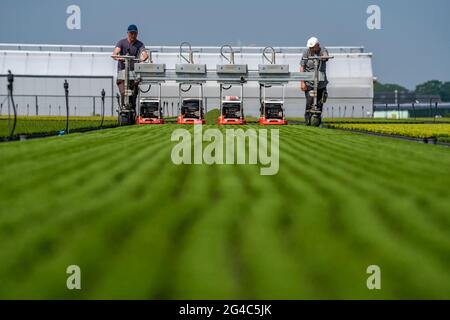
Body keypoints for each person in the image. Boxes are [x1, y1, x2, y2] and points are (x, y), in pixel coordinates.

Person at [112, 24, 149, 111]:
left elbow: (144, 53)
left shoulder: (140, 44)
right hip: (122, 74)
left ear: (137, 34)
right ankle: (123, 109)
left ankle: (133, 111)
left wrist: (143, 57)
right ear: (127, 33)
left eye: (134, 33)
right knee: (124, 93)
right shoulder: (121, 43)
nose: (133, 35)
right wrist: (120, 57)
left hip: (134, 75)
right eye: (131, 33)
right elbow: (115, 53)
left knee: (133, 95)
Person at [300, 37, 329, 126]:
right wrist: (302, 82)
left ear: (318, 45)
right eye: (310, 48)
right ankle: (307, 122)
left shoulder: (323, 50)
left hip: (321, 84)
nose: (311, 49)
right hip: (309, 84)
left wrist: (323, 57)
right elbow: (302, 67)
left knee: (320, 104)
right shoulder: (306, 52)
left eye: (313, 48)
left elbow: (325, 56)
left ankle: (317, 123)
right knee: (309, 103)